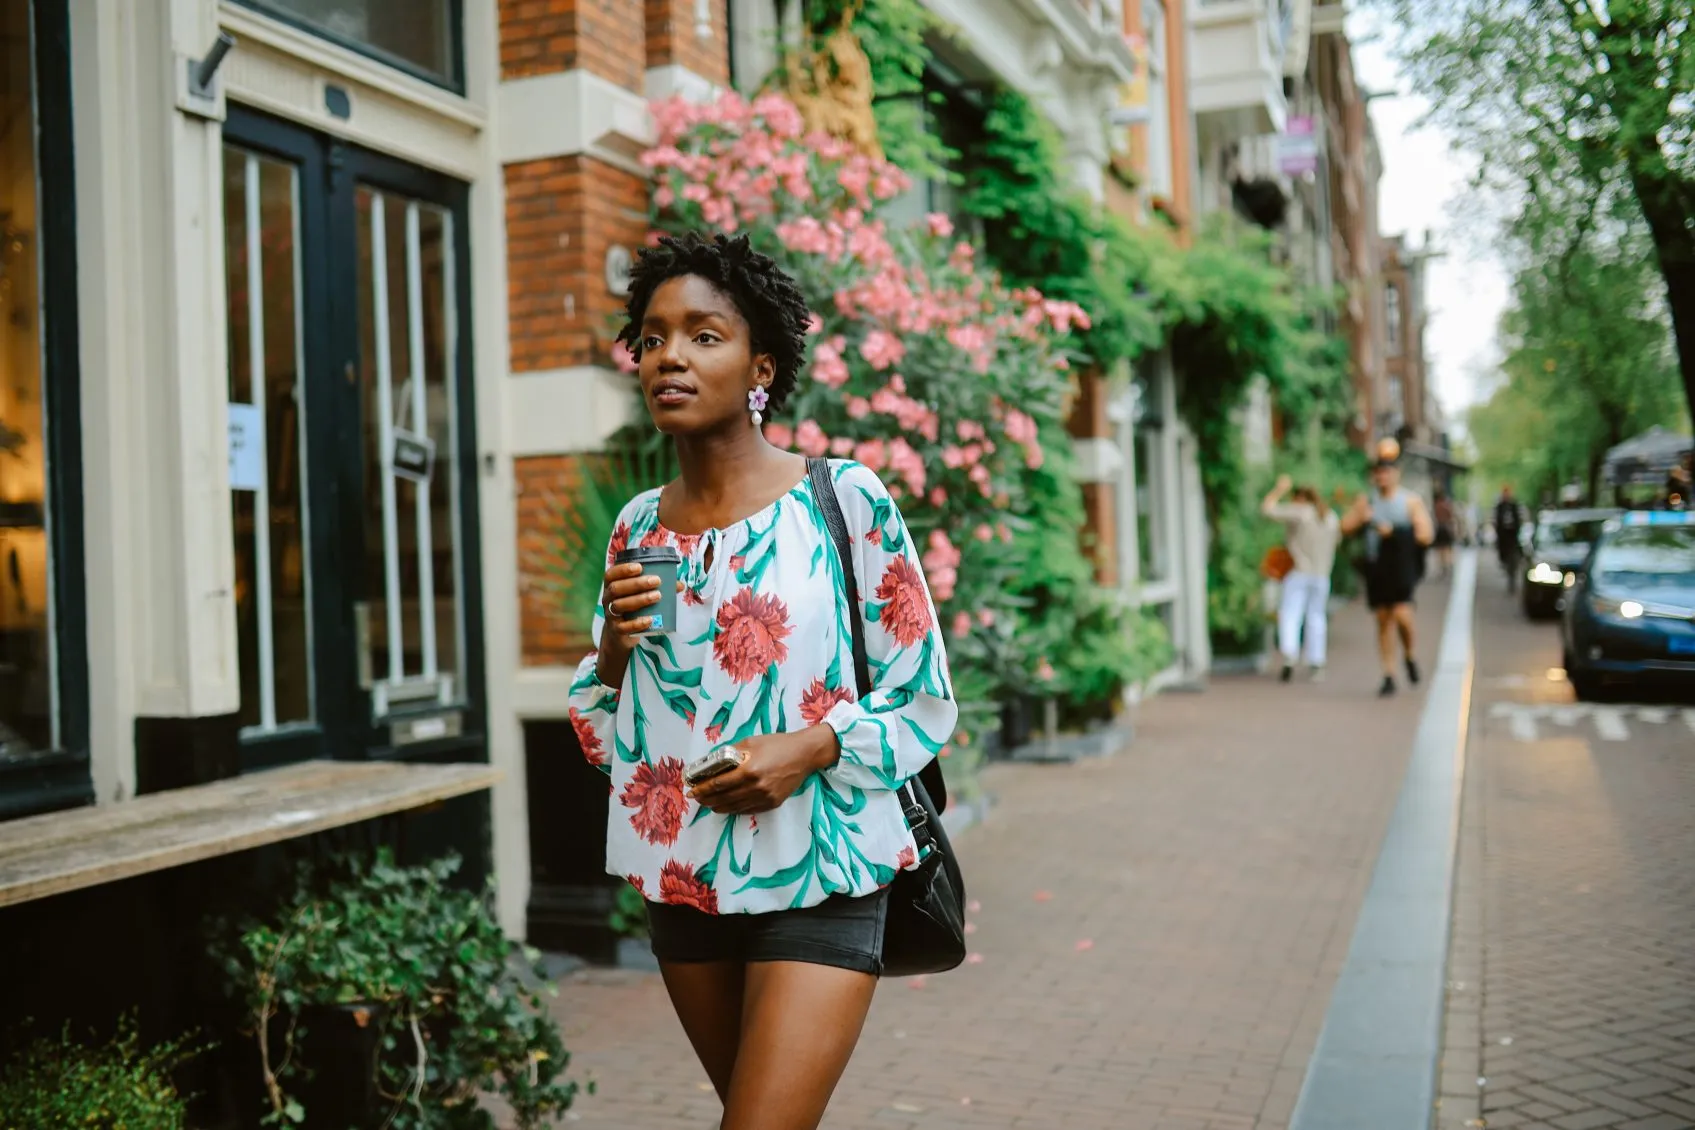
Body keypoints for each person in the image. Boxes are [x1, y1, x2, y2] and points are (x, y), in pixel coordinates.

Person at [566, 233, 956, 1130]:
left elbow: (922, 696)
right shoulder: (637, 527)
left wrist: (807, 749)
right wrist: (616, 648)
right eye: (653, 338)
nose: (669, 356)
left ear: (761, 369)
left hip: (825, 866)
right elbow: (606, 732)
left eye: (703, 336)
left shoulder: (842, 498)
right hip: (683, 880)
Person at [1341, 454, 1435, 697]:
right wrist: (1362, 518)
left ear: (1396, 474)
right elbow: (1346, 526)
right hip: (1377, 566)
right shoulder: (1368, 501)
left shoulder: (1410, 501)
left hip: (1401, 567)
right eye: (1378, 472)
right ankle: (1388, 673)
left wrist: (1394, 531)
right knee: (1383, 619)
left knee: (1403, 616)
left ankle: (1409, 655)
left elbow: (1426, 535)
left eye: (1387, 472)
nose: (1382, 477)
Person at [1261, 475, 1342, 682]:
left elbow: (1267, 509)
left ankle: (1290, 654)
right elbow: (1337, 543)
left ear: (1300, 497)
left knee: (1291, 614)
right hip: (1322, 575)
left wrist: (1279, 489)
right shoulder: (1330, 517)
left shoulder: (1301, 513)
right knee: (1317, 617)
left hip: (1298, 572)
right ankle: (1317, 660)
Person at [1493, 486, 1525, 591]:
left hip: (1513, 538)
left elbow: (1518, 521)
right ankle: (1507, 568)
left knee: (1513, 558)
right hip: (1503, 539)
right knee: (1505, 557)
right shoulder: (1500, 506)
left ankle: (1512, 576)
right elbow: (1497, 521)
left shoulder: (1514, 506)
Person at [1432, 489, 1457, 580]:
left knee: (1440, 549)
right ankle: (1448, 565)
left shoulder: (1436, 506)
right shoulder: (1446, 506)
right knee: (1447, 548)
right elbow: (1451, 517)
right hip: (1446, 528)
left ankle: (1442, 566)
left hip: (1439, 528)